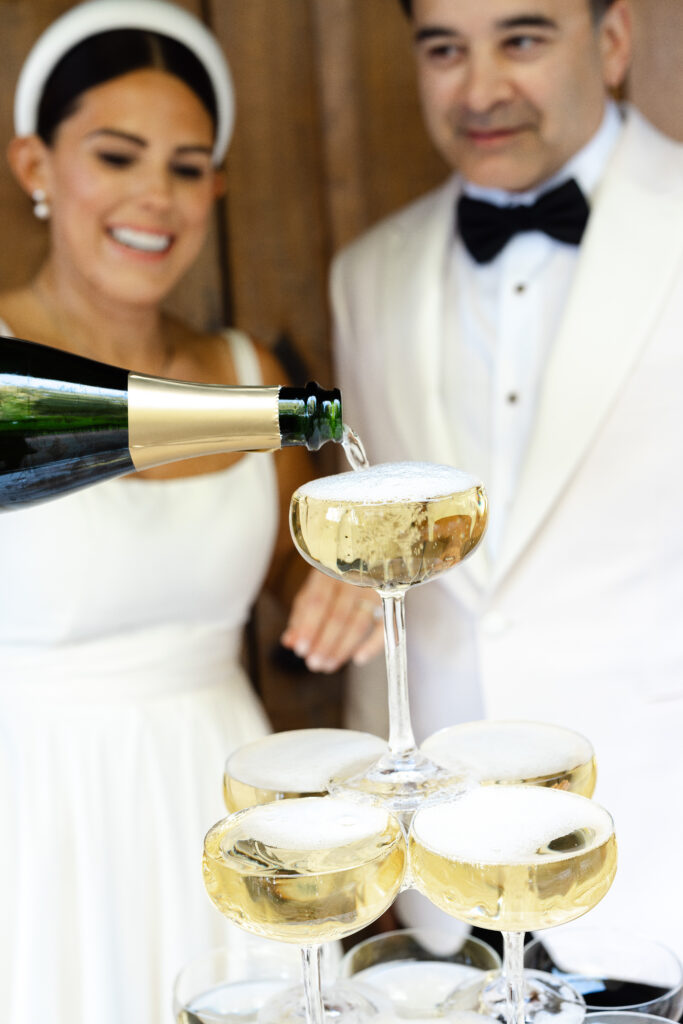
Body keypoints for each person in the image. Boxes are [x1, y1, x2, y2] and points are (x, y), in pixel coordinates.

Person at [0, 3, 381, 1022]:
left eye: (185, 166)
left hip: (227, 807)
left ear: (215, 184)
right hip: (34, 818)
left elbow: (306, 580)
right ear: (35, 165)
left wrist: (345, 585)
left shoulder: (249, 374)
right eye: (116, 156)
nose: (153, 198)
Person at [331, 0, 683, 956]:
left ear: (611, 44)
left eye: (521, 39)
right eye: (444, 49)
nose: (479, 89)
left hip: (659, 867)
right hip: (442, 891)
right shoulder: (364, 274)